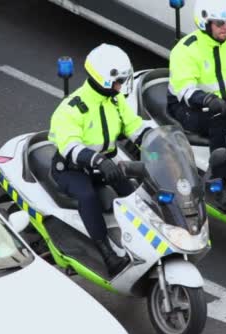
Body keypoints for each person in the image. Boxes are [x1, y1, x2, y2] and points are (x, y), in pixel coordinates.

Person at [48, 44, 150, 277]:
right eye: (119, 81)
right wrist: (97, 160)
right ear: (103, 79)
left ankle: (144, 239)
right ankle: (106, 253)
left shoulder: (114, 101)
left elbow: (134, 127)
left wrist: (155, 145)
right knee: (88, 196)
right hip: (72, 169)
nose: (122, 85)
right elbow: (70, 146)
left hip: (104, 165)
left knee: (133, 193)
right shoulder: (72, 109)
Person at [167, 0, 226, 212]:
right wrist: (209, 100)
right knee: (219, 121)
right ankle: (216, 184)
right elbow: (184, 89)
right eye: (221, 23)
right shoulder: (186, 50)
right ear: (205, 23)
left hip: (222, 102)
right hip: (187, 106)